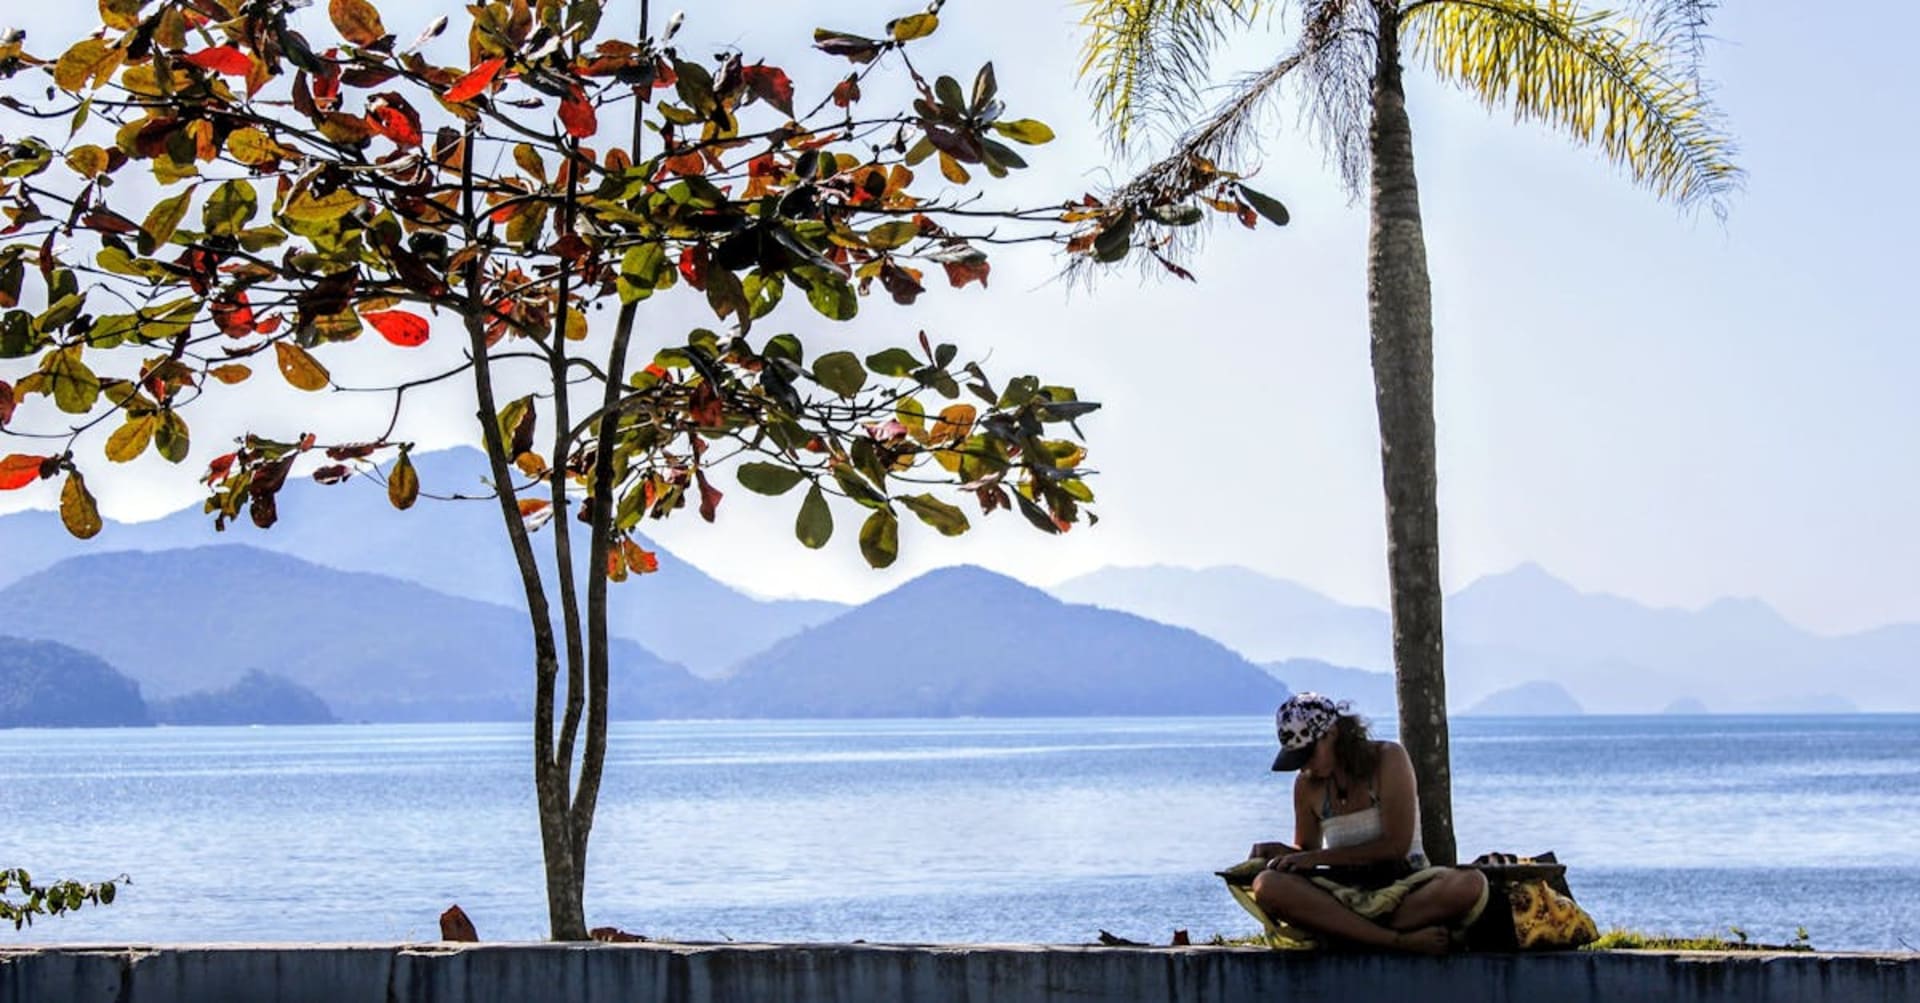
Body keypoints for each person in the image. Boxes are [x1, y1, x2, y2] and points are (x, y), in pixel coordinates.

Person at [1247, 692, 1488, 955]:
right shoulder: (1306, 784)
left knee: (1469, 884)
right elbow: (1306, 853)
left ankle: (1345, 932)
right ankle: (1393, 940)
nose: (1304, 766)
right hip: (1345, 895)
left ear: (1332, 734)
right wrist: (1281, 853)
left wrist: (1313, 858)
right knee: (1267, 885)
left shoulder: (1388, 758)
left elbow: (1396, 846)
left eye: (1308, 755)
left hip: (1405, 886)